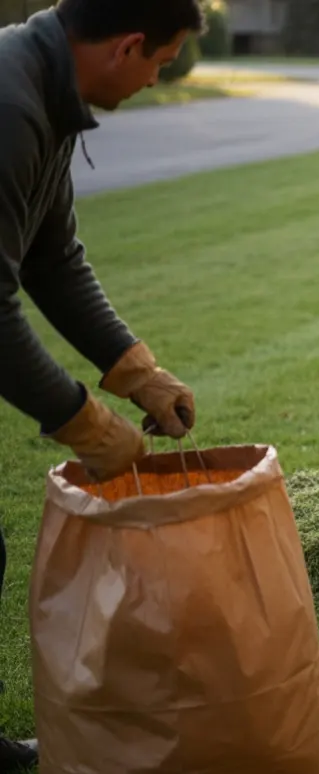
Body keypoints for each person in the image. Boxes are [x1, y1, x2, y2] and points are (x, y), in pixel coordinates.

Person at [0, 0, 205, 769]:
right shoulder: (10, 103)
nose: (159, 77)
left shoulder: (46, 92)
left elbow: (52, 258)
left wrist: (138, 375)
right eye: (161, 59)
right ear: (126, 46)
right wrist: (84, 424)